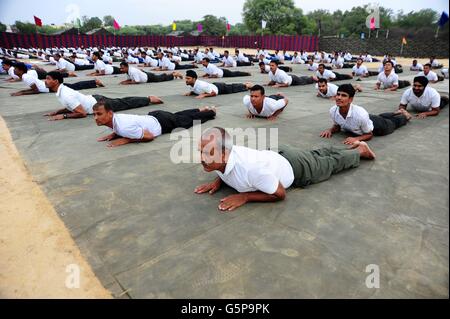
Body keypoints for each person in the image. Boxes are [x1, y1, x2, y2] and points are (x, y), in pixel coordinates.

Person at [194, 127, 375, 211]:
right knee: (318, 154)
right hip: (279, 153)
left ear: (225, 154)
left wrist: (245, 196)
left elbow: (280, 193)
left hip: (297, 168)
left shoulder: (251, 169)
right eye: (201, 151)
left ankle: (360, 150)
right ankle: (350, 147)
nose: (202, 158)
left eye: (208, 153)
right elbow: (226, 169)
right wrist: (219, 181)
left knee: (331, 163)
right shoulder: (218, 160)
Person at [43, 71, 162, 120]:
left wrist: (63, 116)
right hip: (95, 100)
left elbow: (82, 113)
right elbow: (71, 106)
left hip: (98, 104)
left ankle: (149, 99)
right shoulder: (61, 91)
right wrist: (57, 111)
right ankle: (148, 98)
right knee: (122, 101)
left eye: (48, 79)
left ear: (56, 81)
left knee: (124, 103)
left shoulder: (66, 94)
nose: (45, 81)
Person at [93, 102, 216, 147]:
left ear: (110, 113)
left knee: (188, 120)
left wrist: (126, 140)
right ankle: (201, 108)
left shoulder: (124, 128)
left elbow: (150, 136)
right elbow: (124, 127)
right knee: (178, 115)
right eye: (94, 114)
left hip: (163, 122)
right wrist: (114, 134)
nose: (96, 118)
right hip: (156, 115)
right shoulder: (117, 120)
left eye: (99, 114)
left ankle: (210, 112)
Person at [320, 84, 410, 144]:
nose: (339, 98)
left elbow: (369, 134)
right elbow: (337, 126)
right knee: (380, 116)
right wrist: (330, 130)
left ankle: (404, 115)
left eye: (343, 95)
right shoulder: (333, 111)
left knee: (393, 122)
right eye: (338, 94)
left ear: (351, 99)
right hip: (368, 119)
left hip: (378, 127)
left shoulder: (360, 114)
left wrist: (356, 139)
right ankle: (396, 112)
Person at [10, 63, 103, 96]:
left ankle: (94, 82)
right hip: (49, 86)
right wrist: (21, 91)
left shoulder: (26, 77)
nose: (13, 70)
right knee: (74, 86)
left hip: (50, 87)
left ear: (20, 70)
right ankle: (94, 82)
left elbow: (36, 91)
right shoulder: (25, 76)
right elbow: (34, 88)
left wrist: (21, 93)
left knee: (75, 86)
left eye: (15, 69)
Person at [184, 70, 252, 99]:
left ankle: (247, 85)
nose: (186, 80)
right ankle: (245, 85)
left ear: (194, 79)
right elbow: (196, 89)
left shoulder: (202, 85)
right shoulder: (192, 84)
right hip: (213, 85)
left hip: (220, 88)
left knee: (234, 88)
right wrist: (191, 92)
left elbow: (213, 93)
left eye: (188, 79)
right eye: (186, 78)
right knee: (232, 86)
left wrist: (204, 95)